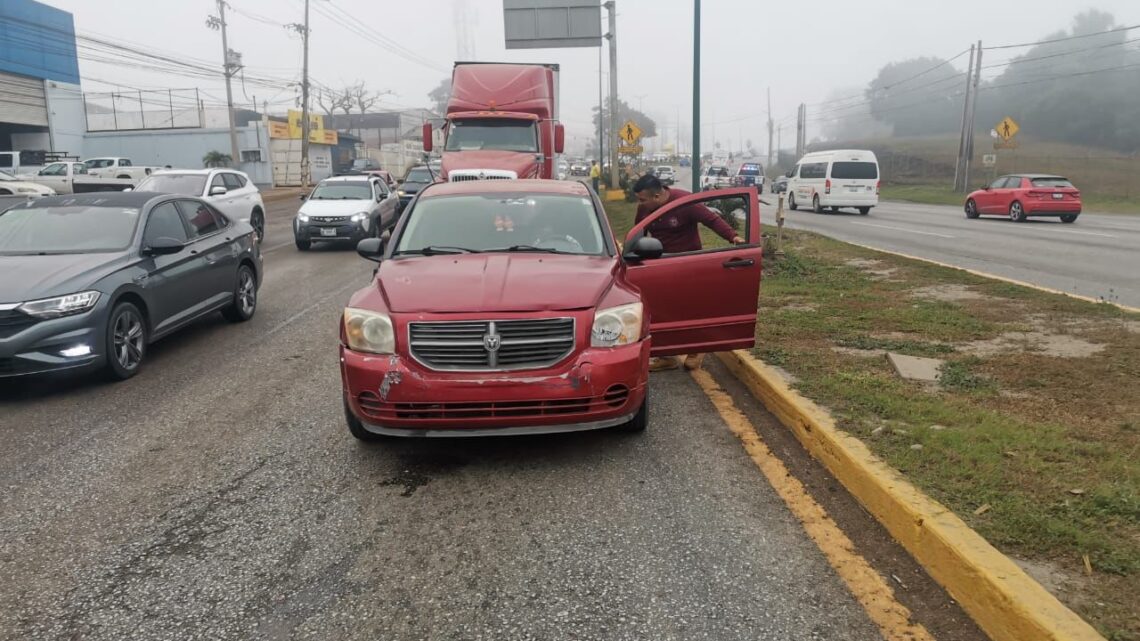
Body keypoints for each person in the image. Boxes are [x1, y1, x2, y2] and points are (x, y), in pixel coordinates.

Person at [632, 173, 744, 371]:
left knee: (690, 309)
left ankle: (695, 350)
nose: (640, 204)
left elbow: (711, 220)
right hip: (661, 265)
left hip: (688, 264)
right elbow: (638, 231)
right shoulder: (645, 208)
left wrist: (733, 237)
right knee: (661, 310)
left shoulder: (684, 201)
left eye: (642, 199)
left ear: (656, 196)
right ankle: (666, 356)